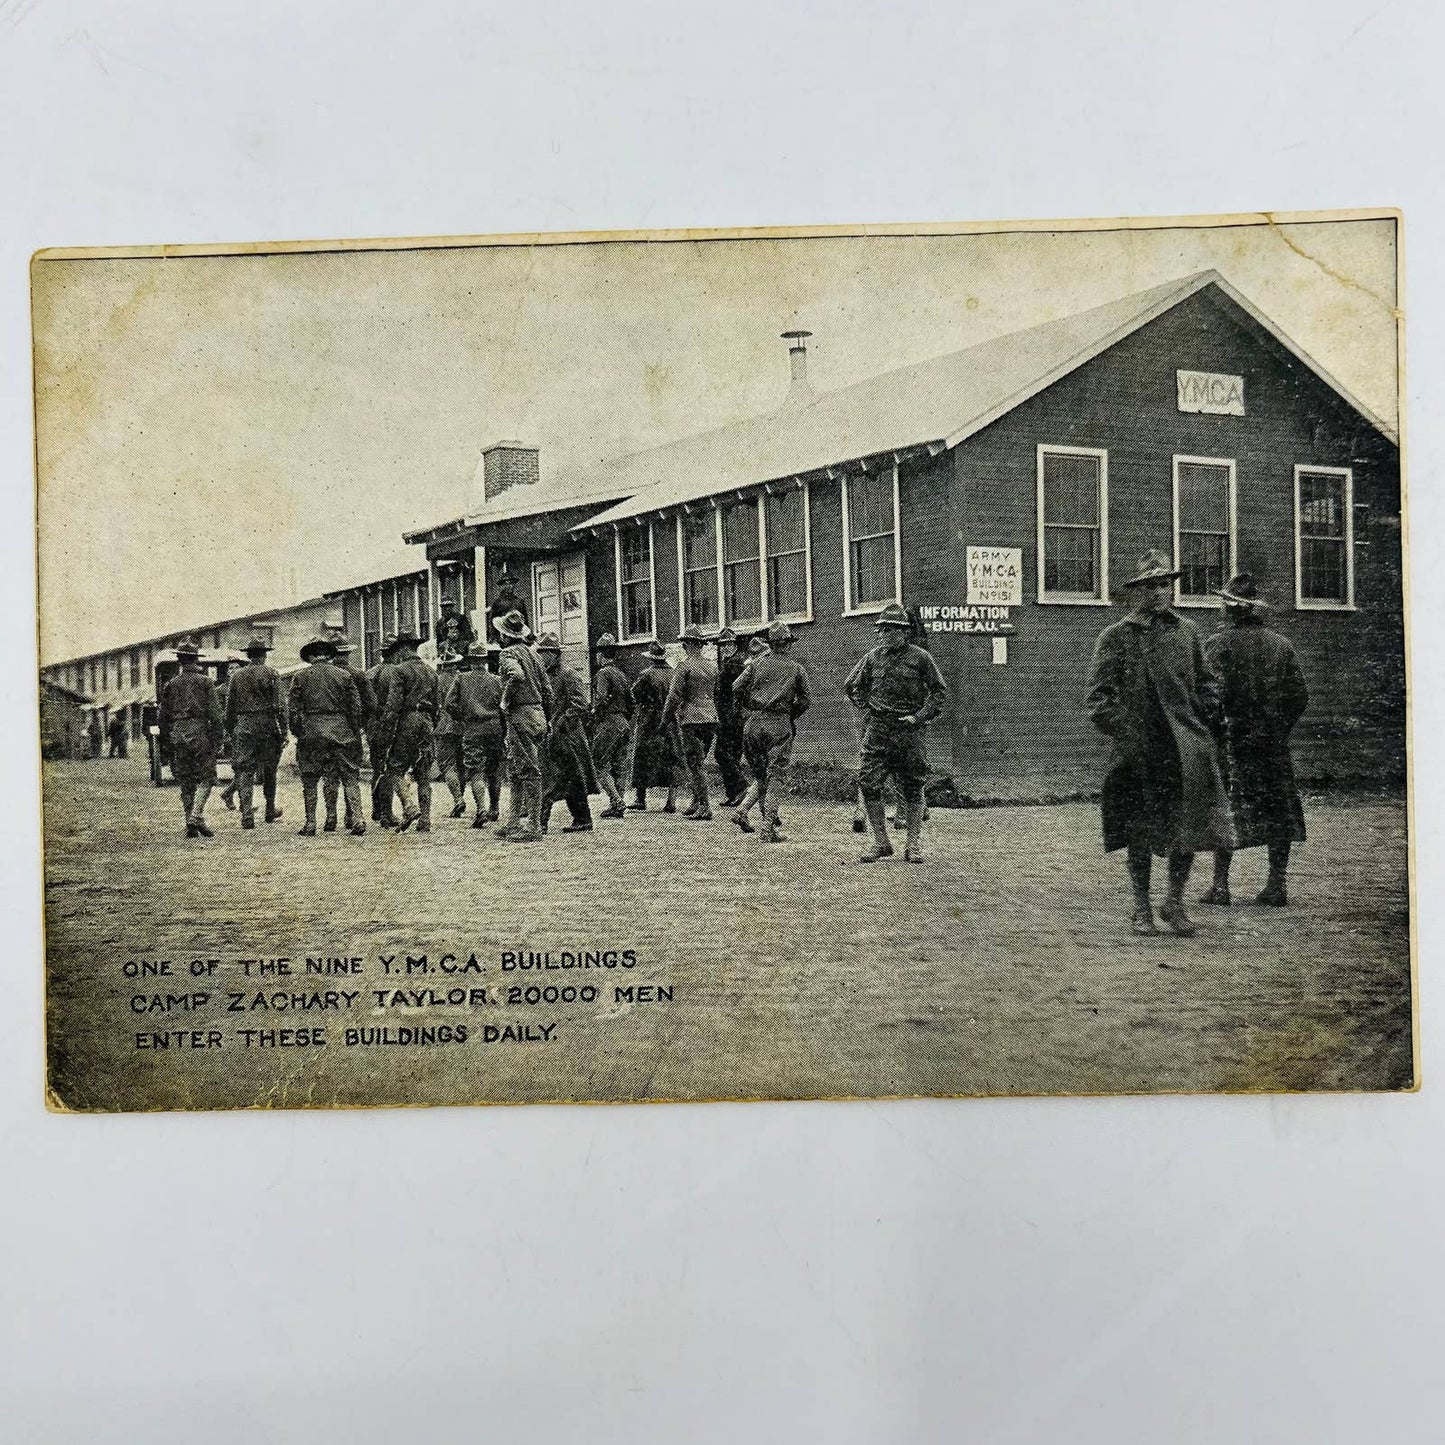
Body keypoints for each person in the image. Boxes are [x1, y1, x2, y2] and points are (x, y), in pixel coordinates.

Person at [1085, 549, 1234, 937]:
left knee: (1187, 828)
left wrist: (1203, 717)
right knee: (1140, 829)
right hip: (1140, 751)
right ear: (1138, 591)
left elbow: (1206, 682)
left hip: (1185, 750)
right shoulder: (1117, 637)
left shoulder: (1188, 632)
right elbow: (1099, 698)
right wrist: (1128, 733)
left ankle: (1174, 901)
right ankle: (1141, 906)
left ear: (1172, 588)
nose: (1157, 592)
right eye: (1149, 586)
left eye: (1163, 585)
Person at [1199, 573, 1310, 906]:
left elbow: (1211, 696)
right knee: (1278, 808)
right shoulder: (1282, 645)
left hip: (1233, 743)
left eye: (1224, 603)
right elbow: (1299, 696)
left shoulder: (1217, 645)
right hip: (1272, 746)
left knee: (1228, 809)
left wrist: (1215, 729)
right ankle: (1276, 885)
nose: (1220, 609)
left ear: (1233, 609)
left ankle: (1220, 886)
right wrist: (1277, 728)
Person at [844, 601, 949, 863]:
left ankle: (913, 845)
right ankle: (881, 842)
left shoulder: (921, 658)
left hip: (908, 731)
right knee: (868, 782)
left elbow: (939, 692)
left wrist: (919, 716)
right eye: (882, 630)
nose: (885, 634)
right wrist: (869, 709)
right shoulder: (872, 657)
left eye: (891, 630)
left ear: (904, 632)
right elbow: (854, 686)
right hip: (878, 729)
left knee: (912, 785)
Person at [731, 622, 811, 843]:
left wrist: (750, 706)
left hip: (753, 724)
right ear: (788, 644)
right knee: (776, 776)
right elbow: (806, 700)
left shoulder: (756, 665)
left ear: (772, 644)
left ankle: (746, 812)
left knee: (760, 775)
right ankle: (768, 827)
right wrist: (790, 713)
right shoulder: (796, 669)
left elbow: (736, 687)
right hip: (779, 724)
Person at [289, 635, 366, 837]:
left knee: (310, 778)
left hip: (312, 731)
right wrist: (353, 730)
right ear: (328, 654)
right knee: (349, 776)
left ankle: (311, 823)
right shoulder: (344, 676)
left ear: (310, 655)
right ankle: (358, 818)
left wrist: (299, 732)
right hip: (341, 730)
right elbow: (356, 708)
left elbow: (294, 711)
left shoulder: (300, 677)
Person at [494, 609, 552, 843]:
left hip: (520, 716)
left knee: (527, 771)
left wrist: (505, 699)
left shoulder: (507, 653)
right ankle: (513, 822)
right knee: (517, 771)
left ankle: (534, 826)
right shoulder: (534, 655)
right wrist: (546, 717)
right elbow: (548, 690)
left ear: (505, 636)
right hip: (537, 715)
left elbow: (516, 676)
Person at [158, 638, 224, 838]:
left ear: (179, 660)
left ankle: (191, 822)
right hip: (199, 733)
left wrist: (167, 739)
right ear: (196, 659)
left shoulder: (171, 684)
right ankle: (195, 815)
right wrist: (217, 738)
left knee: (186, 780)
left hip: (178, 734)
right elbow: (215, 714)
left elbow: (163, 716)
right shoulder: (205, 682)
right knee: (208, 776)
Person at [537, 632, 600, 834]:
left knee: (557, 778)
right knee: (571, 779)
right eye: (540, 653)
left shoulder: (568, 674)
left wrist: (563, 720)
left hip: (569, 736)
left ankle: (542, 822)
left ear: (555, 655)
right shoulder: (543, 677)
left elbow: (582, 704)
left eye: (545, 653)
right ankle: (582, 819)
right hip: (551, 735)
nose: (542, 657)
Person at [380, 628, 440, 833]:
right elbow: (437, 705)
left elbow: (393, 705)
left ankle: (409, 805)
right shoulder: (431, 671)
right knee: (423, 772)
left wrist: (386, 731)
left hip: (408, 720)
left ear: (404, 649)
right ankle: (426, 821)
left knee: (395, 768)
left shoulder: (400, 671)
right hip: (427, 721)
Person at [223, 636, 287, 829]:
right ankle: (269, 810)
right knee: (269, 769)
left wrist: (231, 730)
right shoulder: (272, 674)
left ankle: (247, 814)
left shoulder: (236, 676)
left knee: (244, 770)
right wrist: (284, 731)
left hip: (243, 726)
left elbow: (230, 708)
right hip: (267, 725)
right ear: (265, 655)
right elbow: (280, 707)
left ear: (249, 655)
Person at [445, 641, 506, 827]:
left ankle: (481, 810)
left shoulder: (461, 679)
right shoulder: (497, 680)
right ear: (485, 660)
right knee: (494, 770)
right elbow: (504, 708)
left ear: (470, 660)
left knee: (476, 771)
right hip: (495, 728)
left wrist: (462, 716)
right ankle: (494, 808)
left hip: (472, 729)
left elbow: (449, 704)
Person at [662, 623, 719, 821]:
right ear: (701, 645)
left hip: (691, 719)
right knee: (699, 761)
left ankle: (705, 806)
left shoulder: (683, 667)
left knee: (694, 764)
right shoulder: (712, 667)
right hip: (711, 718)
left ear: (686, 644)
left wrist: (665, 719)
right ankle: (696, 801)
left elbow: (673, 696)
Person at [628, 641, 682, 813]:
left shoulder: (646, 674)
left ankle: (640, 799)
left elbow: (633, 695)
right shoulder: (674, 673)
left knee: (642, 754)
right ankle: (671, 801)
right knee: (671, 756)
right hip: (670, 718)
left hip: (649, 719)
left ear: (651, 658)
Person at [331, 636, 374, 830]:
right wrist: (360, 725)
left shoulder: (327, 673)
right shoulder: (358, 674)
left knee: (331, 774)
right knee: (351, 774)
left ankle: (330, 818)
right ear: (348, 653)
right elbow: (370, 704)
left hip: (327, 729)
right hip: (351, 729)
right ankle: (352, 815)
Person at [589, 633, 633, 820]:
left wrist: (593, 714)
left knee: (599, 764)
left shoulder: (603, 673)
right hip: (623, 723)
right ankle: (618, 803)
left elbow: (599, 698)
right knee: (620, 766)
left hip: (608, 724)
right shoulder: (621, 674)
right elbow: (632, 702)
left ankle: (616, 800)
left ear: (600, 655)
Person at [365, 632, 400, 827]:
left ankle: (377, 809)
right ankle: (387, 813)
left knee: (377, 768)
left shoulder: (371, 673)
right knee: (389, 769)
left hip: (373, 726)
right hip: (391, 725)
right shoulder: (398, 673)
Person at [712, 627, 747, 807]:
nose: (724, 648)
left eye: (728, 644)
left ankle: (740, 788)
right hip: (729, 717)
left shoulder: (735, 664)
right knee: (731, 755)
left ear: (734, 645)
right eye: (722, 645)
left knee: (722, 753)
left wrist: (731, 717)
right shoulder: (730, 662)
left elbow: (738, 693)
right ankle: (734, 793)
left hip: (731, 719)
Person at [433, 653, 468, 818]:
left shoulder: (438, 680)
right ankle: (460, 799)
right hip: (463, 725)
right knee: (461, 765)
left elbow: (435, 704)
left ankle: (458, 799)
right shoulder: (463, 679)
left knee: (447, 765)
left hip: (445, 726)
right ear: (456, 664)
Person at [486, 569, 531, 643]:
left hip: (518, 635)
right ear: (502, 586)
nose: (509, 586)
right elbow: (491, 621)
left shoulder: (519, 602)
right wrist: (493, 636)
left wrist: (527, 635)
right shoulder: (498, 602)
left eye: (511, 583)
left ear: (514, 585)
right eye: (506, 584)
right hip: (503, 636)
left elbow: (525, 620)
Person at [434, 595, 476, 661]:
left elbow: (469, 636)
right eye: (445, 606)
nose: (447, 609)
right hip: (446, 653)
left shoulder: (461, 618)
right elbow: (438, 641)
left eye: (449, 606)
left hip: (461, 651)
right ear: (442, 608)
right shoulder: (440, 623)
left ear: (453, 606)